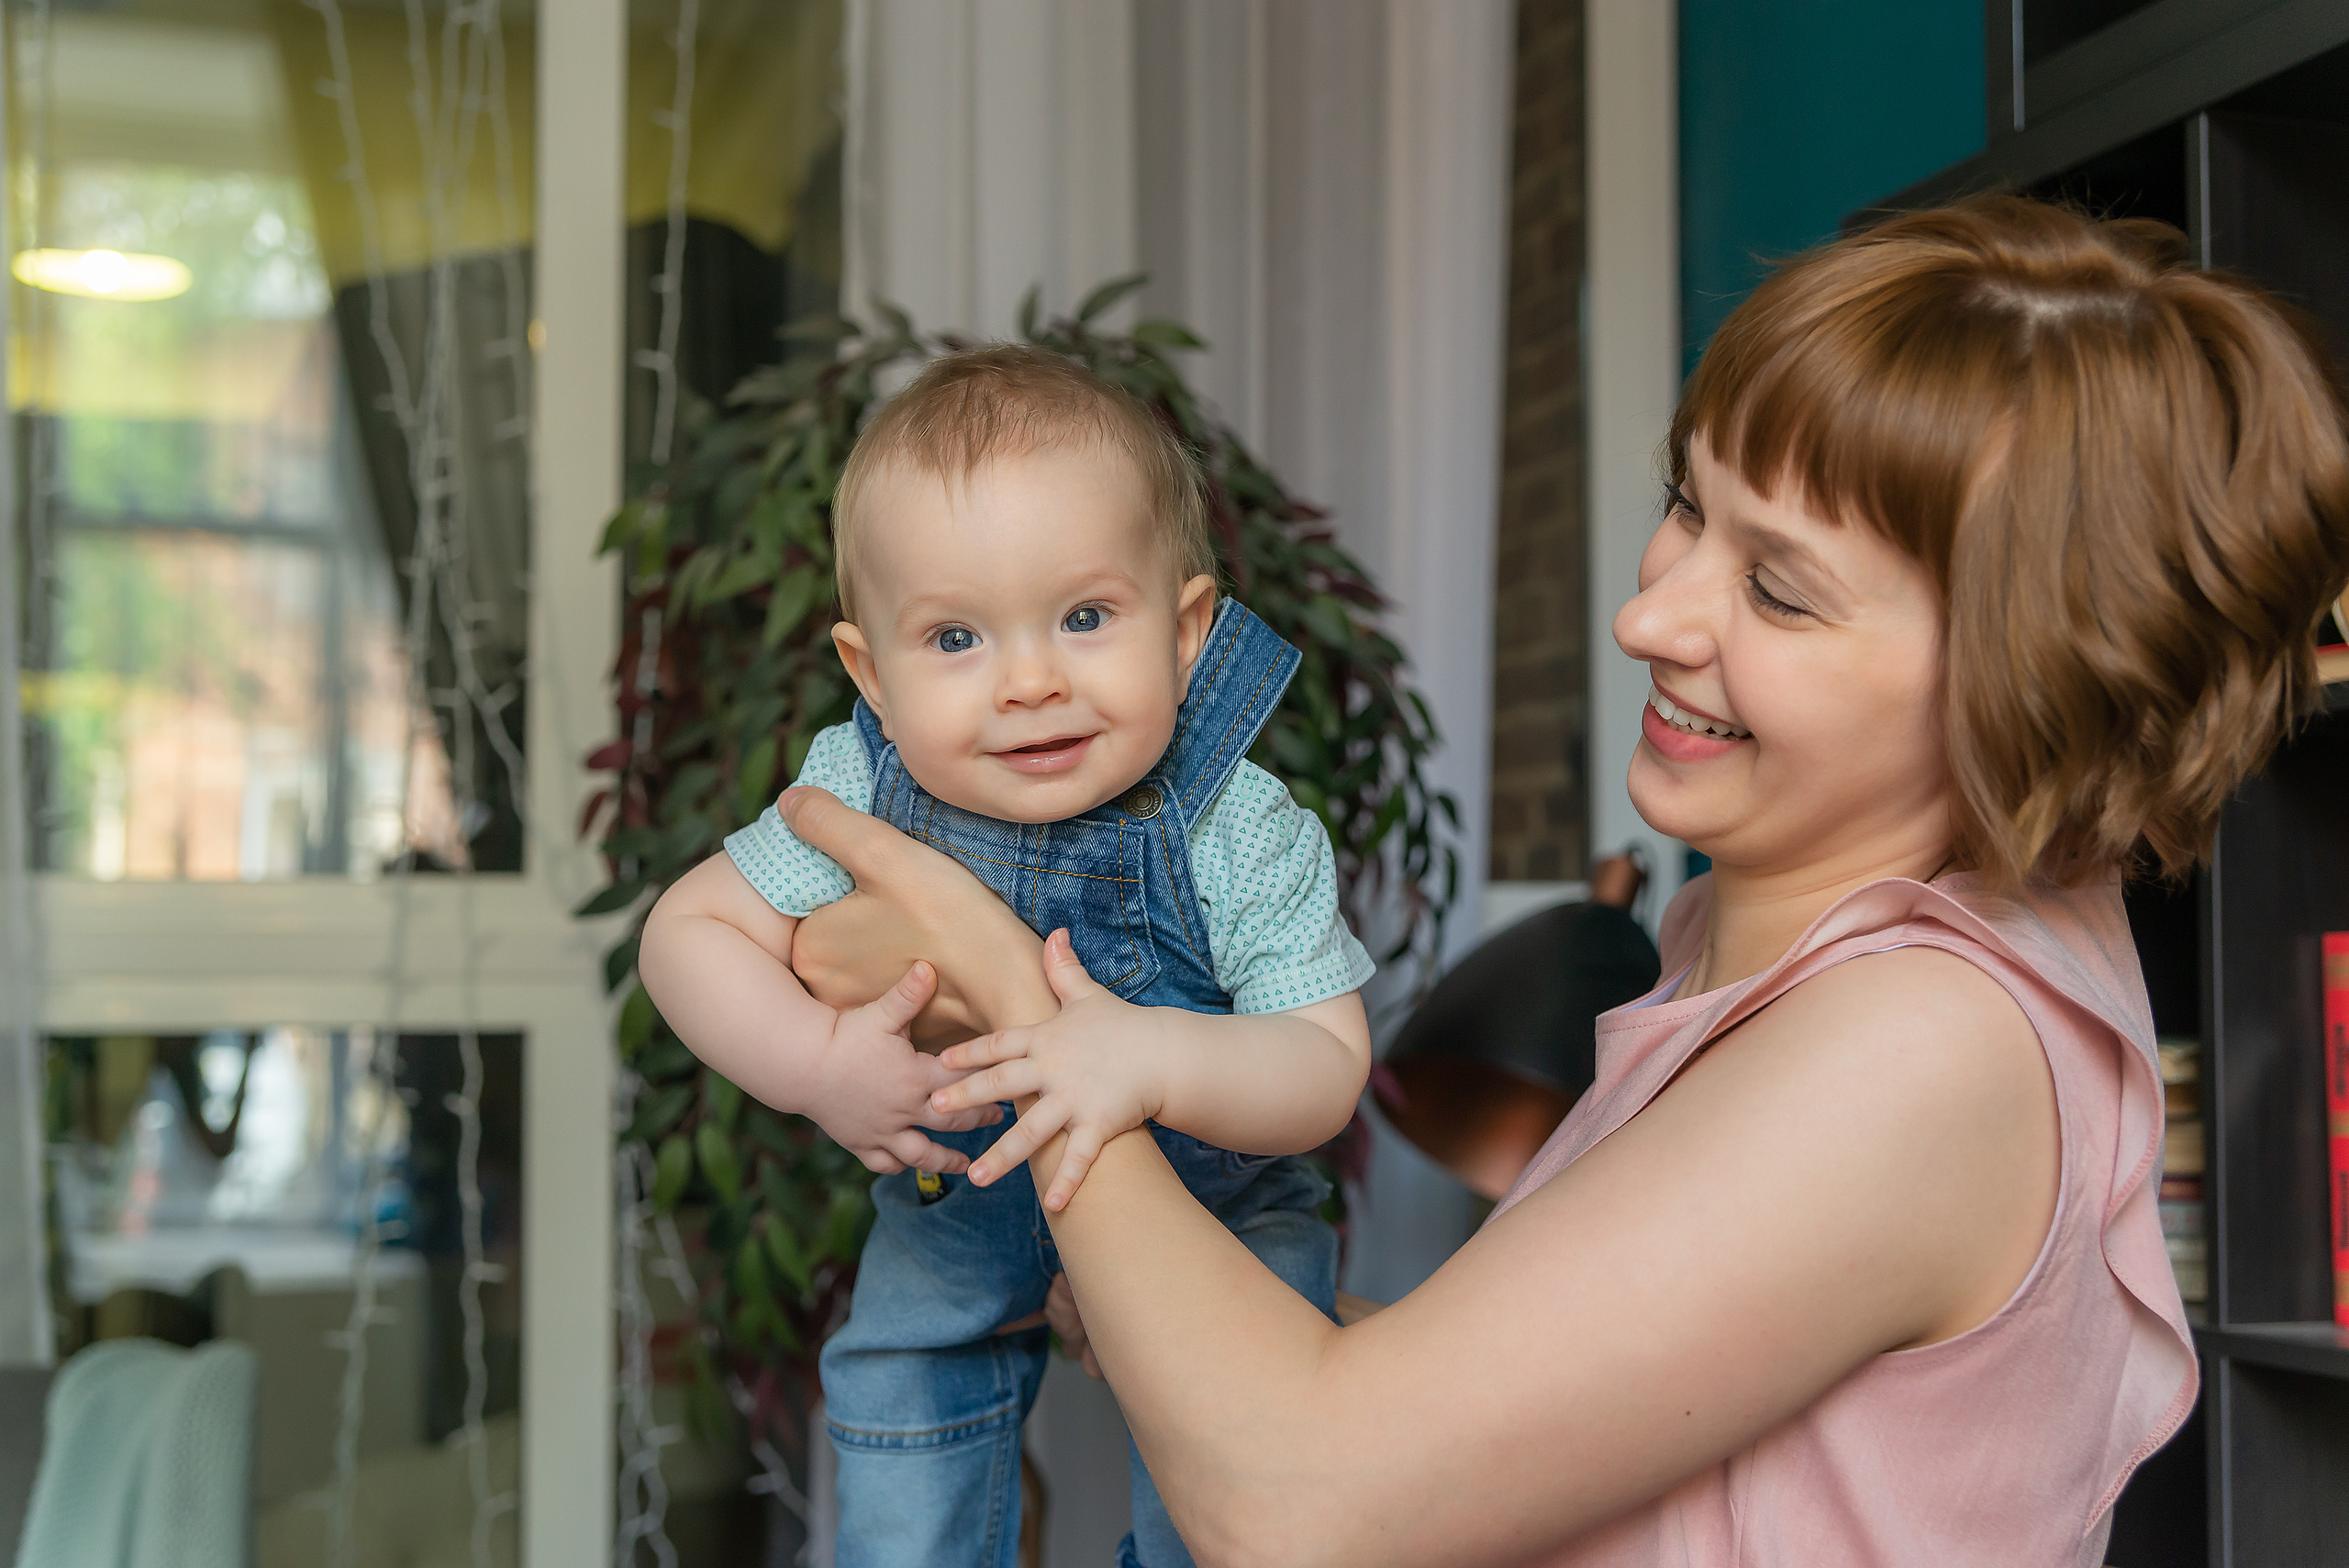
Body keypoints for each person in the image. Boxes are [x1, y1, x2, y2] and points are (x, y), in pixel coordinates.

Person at [775, 197, 2349, 1566]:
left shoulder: (1924, 1045)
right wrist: (1174, 1318)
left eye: (1779, 591)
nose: (1652, 619)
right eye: (1687, 507)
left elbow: (1304, 1502)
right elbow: (1533, 1420)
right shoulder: (1770, 952)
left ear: (2028, 680)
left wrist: (1005, 982)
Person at [637, 345, 1376, 1568]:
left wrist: (1150, 1057)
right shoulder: (859, 790)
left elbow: (1323, 1066)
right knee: (896, 1387)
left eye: (1085, 617)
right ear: (870, 677)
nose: (1031, 681)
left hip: (1213, 1220)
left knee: (1239, 1478)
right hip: (966, 1193)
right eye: (957, 638)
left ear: (1187, 631)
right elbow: (687, 935)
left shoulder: (1239, 823)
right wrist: (817, 1061)